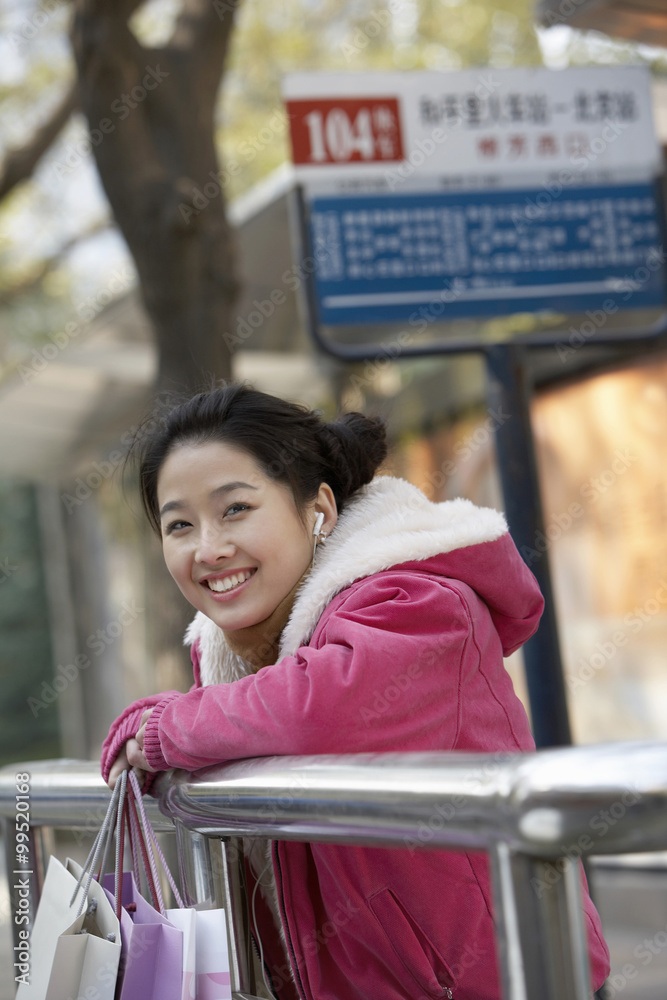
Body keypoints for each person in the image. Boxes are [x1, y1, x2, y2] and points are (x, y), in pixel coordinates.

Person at [101, 383, 610, 1000]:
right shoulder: (235, 649)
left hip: (497, 983)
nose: (208, 548)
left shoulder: (417, 600)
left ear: (317, 508)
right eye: (180, 524)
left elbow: (324, 709)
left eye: (235, 508)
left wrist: (165, 732)